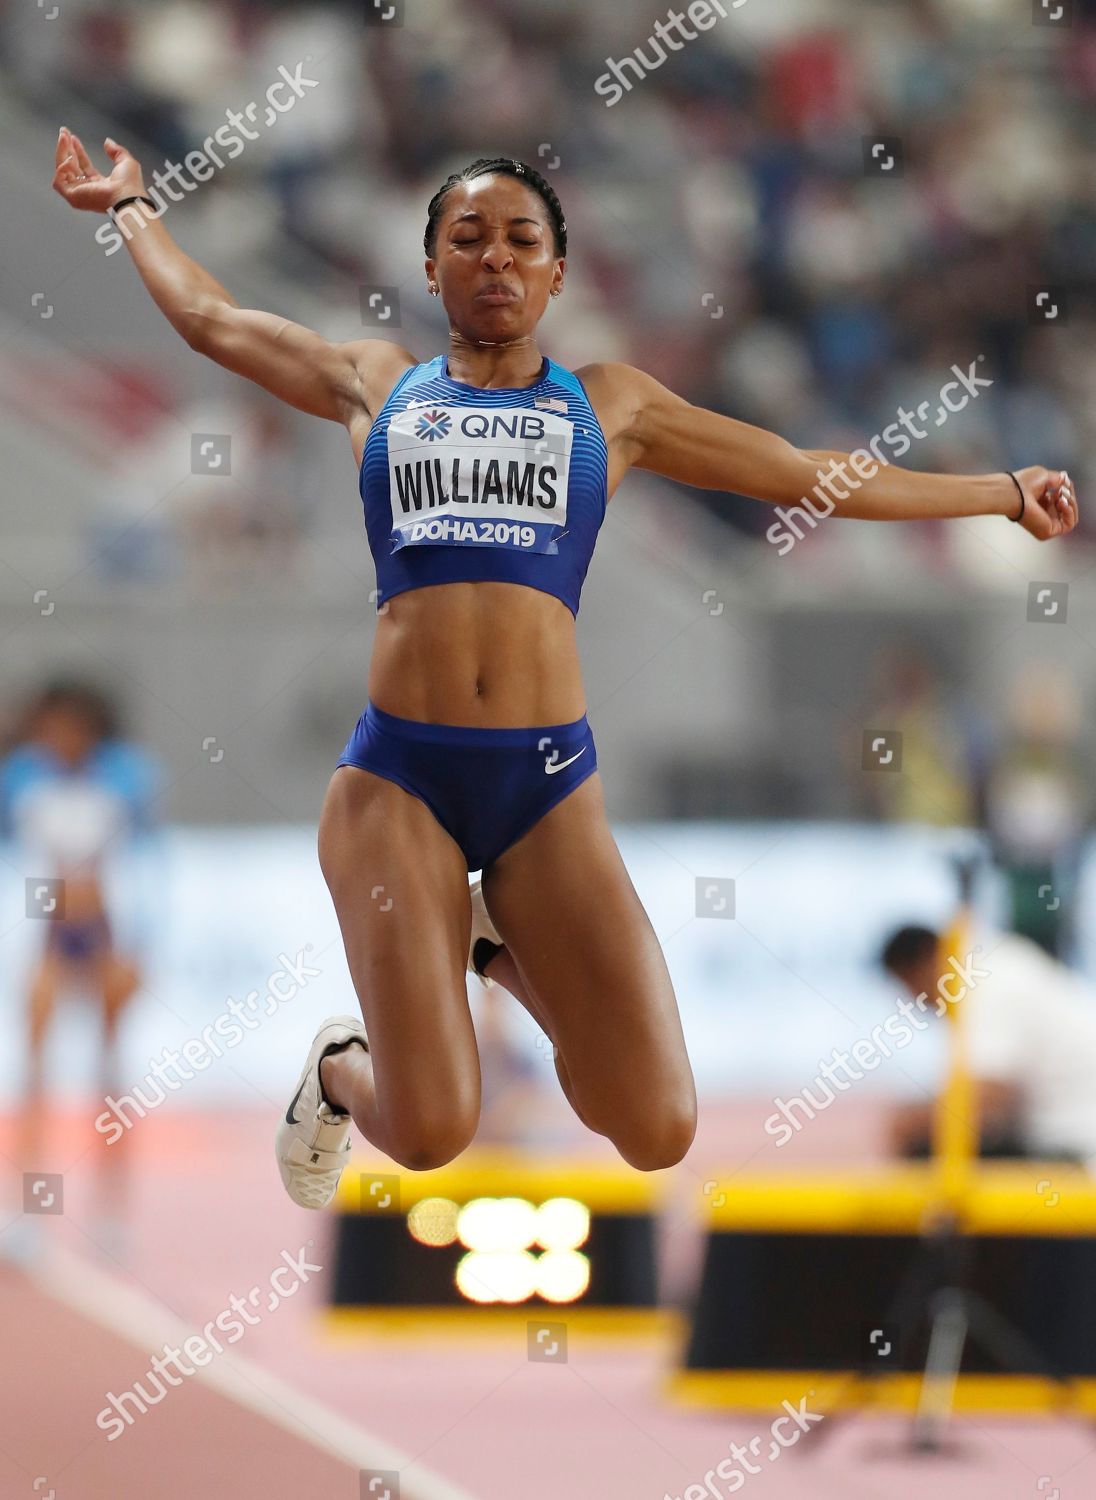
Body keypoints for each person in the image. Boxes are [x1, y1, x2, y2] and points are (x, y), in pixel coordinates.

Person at [52, 128, 1080, 1208]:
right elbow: (212, 320)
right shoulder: (375, 384)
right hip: (401, 782)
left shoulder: (610, 407)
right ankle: (339, 1070)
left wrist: (999, 493)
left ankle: (490, 945)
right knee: (434, 1132)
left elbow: (798, 471)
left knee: (655, 1128)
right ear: (430, 268)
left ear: (557, 272)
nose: (495, 257)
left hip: (544, 789)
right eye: (468, 238)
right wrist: (130, 205)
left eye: (521, 239)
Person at [0, 678, 160, 1243]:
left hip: (104, 931)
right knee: (33, 1071)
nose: (58, 739)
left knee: (110, 1074)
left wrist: (140, 944)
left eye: (69, 730)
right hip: (47, 932)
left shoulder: (125, 777)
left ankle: (111, 1212)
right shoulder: (23, 777)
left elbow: (147, 862)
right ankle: (29, 1209)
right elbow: (16, 857)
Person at [880, 924, 1096, 1168]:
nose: (916, 1001)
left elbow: (987, 1099)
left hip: (1076, 1147)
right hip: (1065, 1139)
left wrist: (908, 1122)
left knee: (929, 1149)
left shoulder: (985, 982)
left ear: (924, 962)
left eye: (910, 987)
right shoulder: (999, 962)